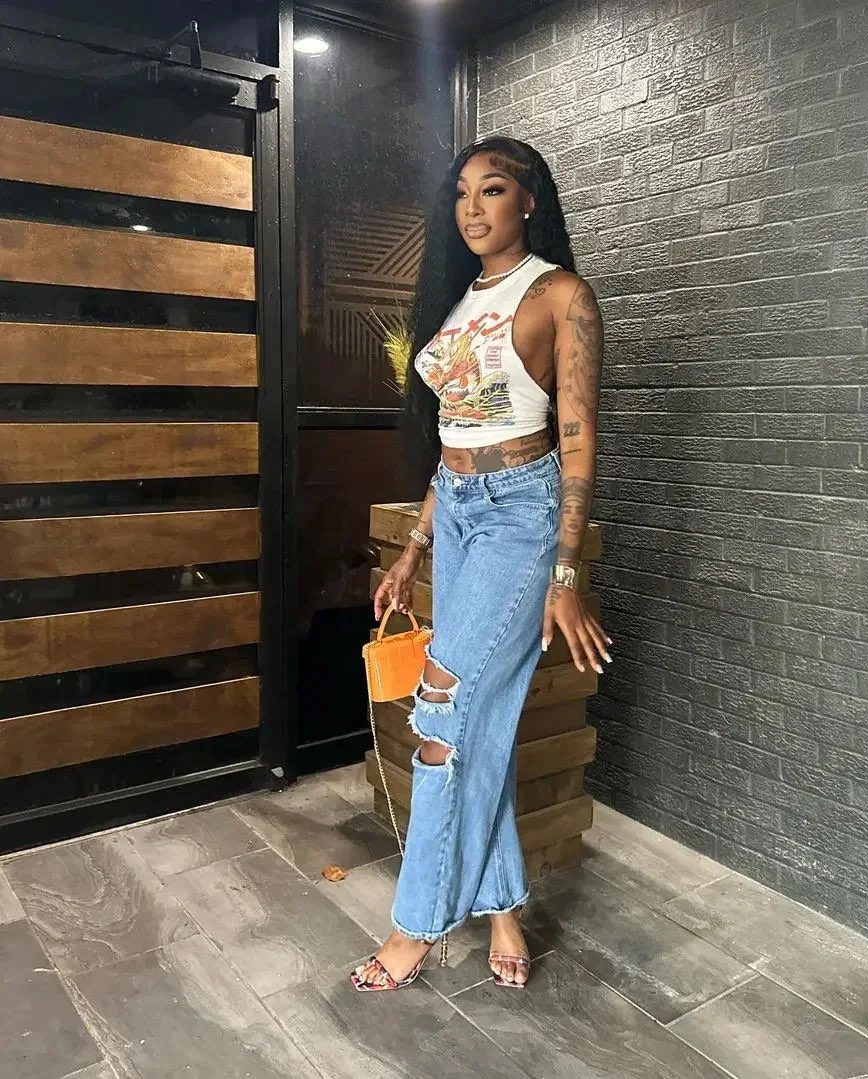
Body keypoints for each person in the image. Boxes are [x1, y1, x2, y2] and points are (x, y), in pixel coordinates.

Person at [351, 136, 610, 992]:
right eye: (461, 191)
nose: (472, 207)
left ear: (529, 200)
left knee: (443, 711)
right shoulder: (459, 299)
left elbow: (578, 442)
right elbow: (453, 437)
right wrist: (414, 548)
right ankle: (503, 906)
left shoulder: (560, 295)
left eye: (492, 189)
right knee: (480, 722)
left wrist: (565, 574)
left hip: (520, 515)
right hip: (458, 512)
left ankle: (416, 924)